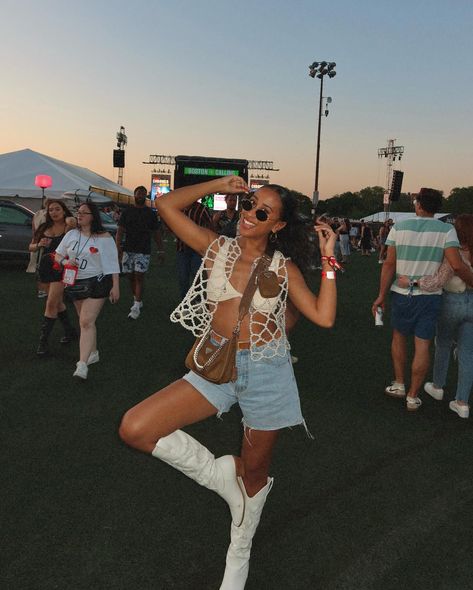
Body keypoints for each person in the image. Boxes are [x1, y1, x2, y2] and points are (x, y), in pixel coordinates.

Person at [118, 175, 337, 589]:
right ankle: (217, 476)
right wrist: (220, 184)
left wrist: (329, 260)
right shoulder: (217, 248)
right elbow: (166, 207)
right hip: (215, 366)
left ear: (277, 226)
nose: (249, 214)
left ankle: (240, 546)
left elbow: (323, 317)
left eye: (262, 212)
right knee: (135, 428)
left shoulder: (283, 266)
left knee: (254, 478)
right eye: (249, 204)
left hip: (267, 373)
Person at [372, 188, 473, 411]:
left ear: (418, 205)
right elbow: (456, 265)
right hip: (430, 297)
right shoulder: (447, 230)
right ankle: (413, 396)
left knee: (398, 338)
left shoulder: (399, 227)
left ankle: (399, 384)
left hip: (401, 292)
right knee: (423, 345)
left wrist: (381, 294)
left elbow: (388, 263)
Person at [398, 214, 473, 419]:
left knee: (443, 344)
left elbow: (438, 280)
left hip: (451, 301)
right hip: (471, 304)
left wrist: (412, 282)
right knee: (468, 353)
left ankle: (438, 385)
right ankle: (462, 402)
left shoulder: (455, 254)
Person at [55, 202, 120, 380]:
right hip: (75, 283)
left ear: (93, 216)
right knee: (86, 322)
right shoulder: (71, 234)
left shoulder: (104, 237)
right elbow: (58, 254)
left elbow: (112, 263)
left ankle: (82, 364)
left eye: (84, 212)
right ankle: (93, 353)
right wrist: (64, 262)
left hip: (97, 283)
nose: (79, 215)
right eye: (78, 212)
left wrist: (115, 285)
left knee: (85, 321)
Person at [29, 200, 77, 355]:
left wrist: (71, 222)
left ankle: (43, 343)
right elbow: (31, 246)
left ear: (64, 211)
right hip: (45, 268)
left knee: (50, 304)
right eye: (51, 210)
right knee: (57, 302)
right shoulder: (44, 227)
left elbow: (76, 230)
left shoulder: (69, 227)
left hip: (62, 269)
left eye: (57, 209)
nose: (54, 212)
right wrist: (39, 245)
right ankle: (70, 331)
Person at [116, 186, 163, 320]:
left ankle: (136, 305)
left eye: (143, 193)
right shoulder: (127, 211)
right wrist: (117, 246)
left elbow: (156, 232)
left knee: (139, 276)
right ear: (134, 195)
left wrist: (161, 249)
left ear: (146, 196)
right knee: (129, 276)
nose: (140, 195)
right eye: (138, 193)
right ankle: (137, 298)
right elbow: (120, 230)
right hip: (128, 248)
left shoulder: (150, 213)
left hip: (143, 249)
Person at [175, 199, 213, 299]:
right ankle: (185, 303)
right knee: (183, 277)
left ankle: (198, 300)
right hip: (182, 248)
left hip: (197, 249)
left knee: (197, 277)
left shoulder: (202, 209)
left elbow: (210, 225)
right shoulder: (179, 208)